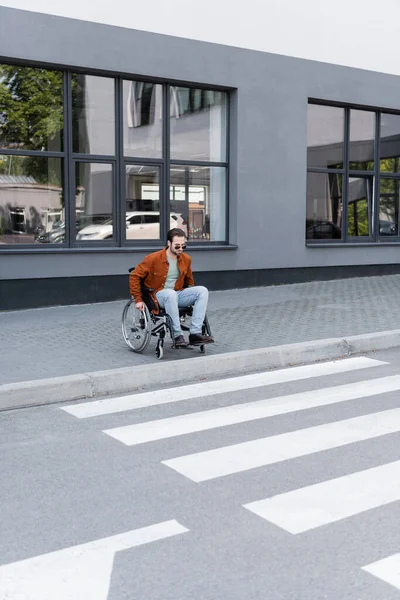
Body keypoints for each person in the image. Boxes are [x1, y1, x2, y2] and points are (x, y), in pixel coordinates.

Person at [129, 228, 214, 347]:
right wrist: (138, 300)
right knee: (170, 293)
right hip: (157, 296)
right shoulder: (153, 258)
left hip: (176, 294)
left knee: (202, 291)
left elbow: (189, 280)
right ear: (169, 243)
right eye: (177, 246)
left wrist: (192, 297)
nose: (180, 249)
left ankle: (195, 333)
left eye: (183, 246)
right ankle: (177, 335)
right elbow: (134, 276)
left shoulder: (186, 259)